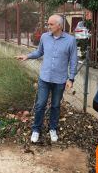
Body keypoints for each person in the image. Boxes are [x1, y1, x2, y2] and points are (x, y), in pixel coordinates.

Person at [16, 14, 77, 143]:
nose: (48, 26)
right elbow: (39, 52)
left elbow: (73, 61)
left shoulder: (70, 40)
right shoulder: (44, 37)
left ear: (59, 25)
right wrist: (27, 56)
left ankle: (53, 129)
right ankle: (36, 130)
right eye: (48, 24)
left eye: (51, 24)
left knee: (55, 105)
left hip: (60, 80)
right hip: (44, 78)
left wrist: (71, 78)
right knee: (40, 104)